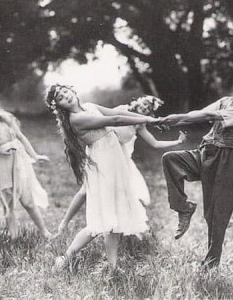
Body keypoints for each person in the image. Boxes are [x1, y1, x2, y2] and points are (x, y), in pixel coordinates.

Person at [159, 65, 233, 268]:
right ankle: (184, 208)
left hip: (228, 163)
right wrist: (171, 122)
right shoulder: (225, 101)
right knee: (170, 159)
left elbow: (209, 117)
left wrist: (176, 118)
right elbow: (199, 113)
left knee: (216, 214)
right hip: (207, 153)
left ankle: (211, 264)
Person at [45, 84, 158, 271]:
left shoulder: (89, 106)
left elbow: (114, 111)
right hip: (103, 162)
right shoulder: (77, 119)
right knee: (102, 218)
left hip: (115, 158)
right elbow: (114, 119)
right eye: (61, 99)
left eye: (67, 92)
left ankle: (112, 267)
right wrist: (147, 119)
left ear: (73, 91)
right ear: (59, 106)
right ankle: (65, 258)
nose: (67, 97)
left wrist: (145, 120)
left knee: (115, 215)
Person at [55, 95, 187, 236]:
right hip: (104, 153)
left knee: (127, 193)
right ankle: (66, 222)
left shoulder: (139, 124)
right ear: (138, 102)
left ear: (149, 113)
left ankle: (123, 228)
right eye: (144, 104)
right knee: (85, 191)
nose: (144, 107)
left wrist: (177, 142)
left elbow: (154, 143)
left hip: (121, 158)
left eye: (148, 108)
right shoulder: (121, 110)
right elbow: (111, 120)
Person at [0, 91, 52, 239]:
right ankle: (14, 237)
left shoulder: (5, 119)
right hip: (0, 163)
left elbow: (21, 137)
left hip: (17, 160)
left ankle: (45, 232)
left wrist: (35, 155)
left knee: (27, 201)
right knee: (7, 203)